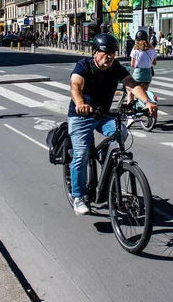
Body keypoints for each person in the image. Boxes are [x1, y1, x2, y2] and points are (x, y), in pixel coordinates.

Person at [67, 33, 158, 215]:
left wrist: (147, 102)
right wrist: (80, 104)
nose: (109, 56)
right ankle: (78, 196)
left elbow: (131, 84)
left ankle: (105, 155)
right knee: (81, 154)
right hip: (81, 116)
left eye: (113, 53)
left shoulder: (115, 67)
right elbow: (75, 86)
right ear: (95, 52)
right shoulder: (83, 66)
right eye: (105, 52)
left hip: (103, 115)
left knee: (122, 133)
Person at [127, 30, 157, 105]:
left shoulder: (135, 49)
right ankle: (146, 105)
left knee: (131, 92)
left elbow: (132, 64)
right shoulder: (152, 49)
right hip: (148, 75)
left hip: (138, 75)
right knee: (144, 93)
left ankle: (129, 107)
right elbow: (154, 63)